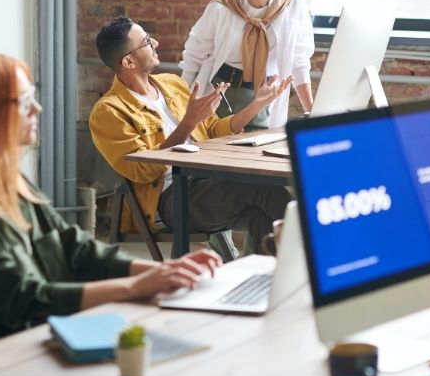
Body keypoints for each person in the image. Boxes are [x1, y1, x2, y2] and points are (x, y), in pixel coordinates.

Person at [0, 50, 223, 353]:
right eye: (23, 102)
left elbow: (76, 251)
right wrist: (136, 286)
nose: (37, 109)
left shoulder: (14, 186)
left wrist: (164, 271)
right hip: (14, 362)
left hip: (57, 338)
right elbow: (24, 299)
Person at [89, 16, 292, 253]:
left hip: (208, 180)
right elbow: (142, 170)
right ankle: (323, 251)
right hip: (171, 197)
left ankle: (268, 283)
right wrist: (187, 123)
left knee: (261, 213)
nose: (154, 42)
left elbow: (214, 130)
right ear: (129, 61)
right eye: (145, 41)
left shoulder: (172, 84)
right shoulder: (108, 112)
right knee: (263, 187)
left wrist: (255, 106)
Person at [180, 0, 315, 130]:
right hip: (219, 93)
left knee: (258, 154)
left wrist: (313, 113)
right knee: (216, 153)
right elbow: (194, 56)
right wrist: (180, 106)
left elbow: (299, 63)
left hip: (264, 96)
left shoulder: (294, 7)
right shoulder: (223, 6)